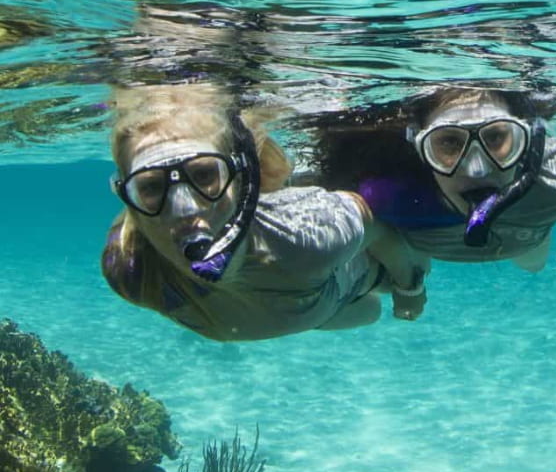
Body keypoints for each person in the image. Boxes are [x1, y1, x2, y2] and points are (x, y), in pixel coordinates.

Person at [102, 83, 426, 341]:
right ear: (127, 195)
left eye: (203, 176)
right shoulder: (129, 265)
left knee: (403, 273)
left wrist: (410, 290)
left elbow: (380, 229)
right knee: (363, 314)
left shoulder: (306, 239)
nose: (183, 210)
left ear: (244, 178)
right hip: (310, 310)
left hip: (334, 284)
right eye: (152, 188)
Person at [308, 85, 556, 277]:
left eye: (497, 137)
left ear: (527, 141)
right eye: (448, 143)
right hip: (426, 246)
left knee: (534, 265)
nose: (476, 171)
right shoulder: (388, 197)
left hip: (527, 244)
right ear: (421, 149)